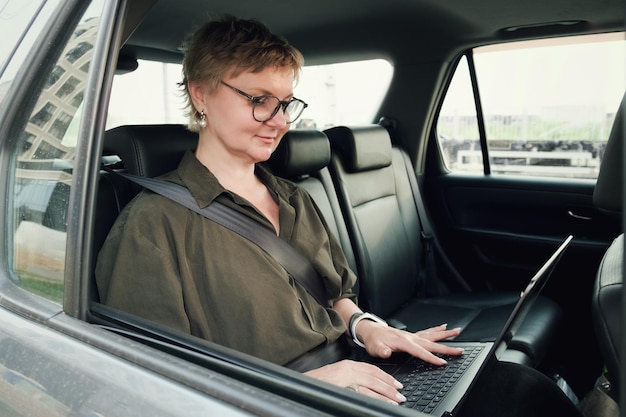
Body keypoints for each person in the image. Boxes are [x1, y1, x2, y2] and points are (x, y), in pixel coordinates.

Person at [96, 16, 583, 415]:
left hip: (356, 369)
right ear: (201, 93)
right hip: (279, 401)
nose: (281, 121)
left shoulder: (292, 197)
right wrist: (306, 383)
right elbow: (153, 385)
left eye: (286, 103)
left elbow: (337, 296)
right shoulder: (152, 226)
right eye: (258, 100)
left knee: (521, 391)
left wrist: (371, 328)